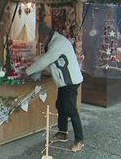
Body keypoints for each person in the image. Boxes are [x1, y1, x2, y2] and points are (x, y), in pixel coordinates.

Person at [25, 23, 84, 152]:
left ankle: (79, 139)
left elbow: (46, 59)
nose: (42, 43)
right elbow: (46, 58)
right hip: (64, 82)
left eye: (42, 40)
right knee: (61, 105)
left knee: (71, 109)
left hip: (71, 81)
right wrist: (33, 61)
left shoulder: (59, 43)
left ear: (46, 37)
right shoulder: (54, 41)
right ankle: (62, 133)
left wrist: (27, 71)